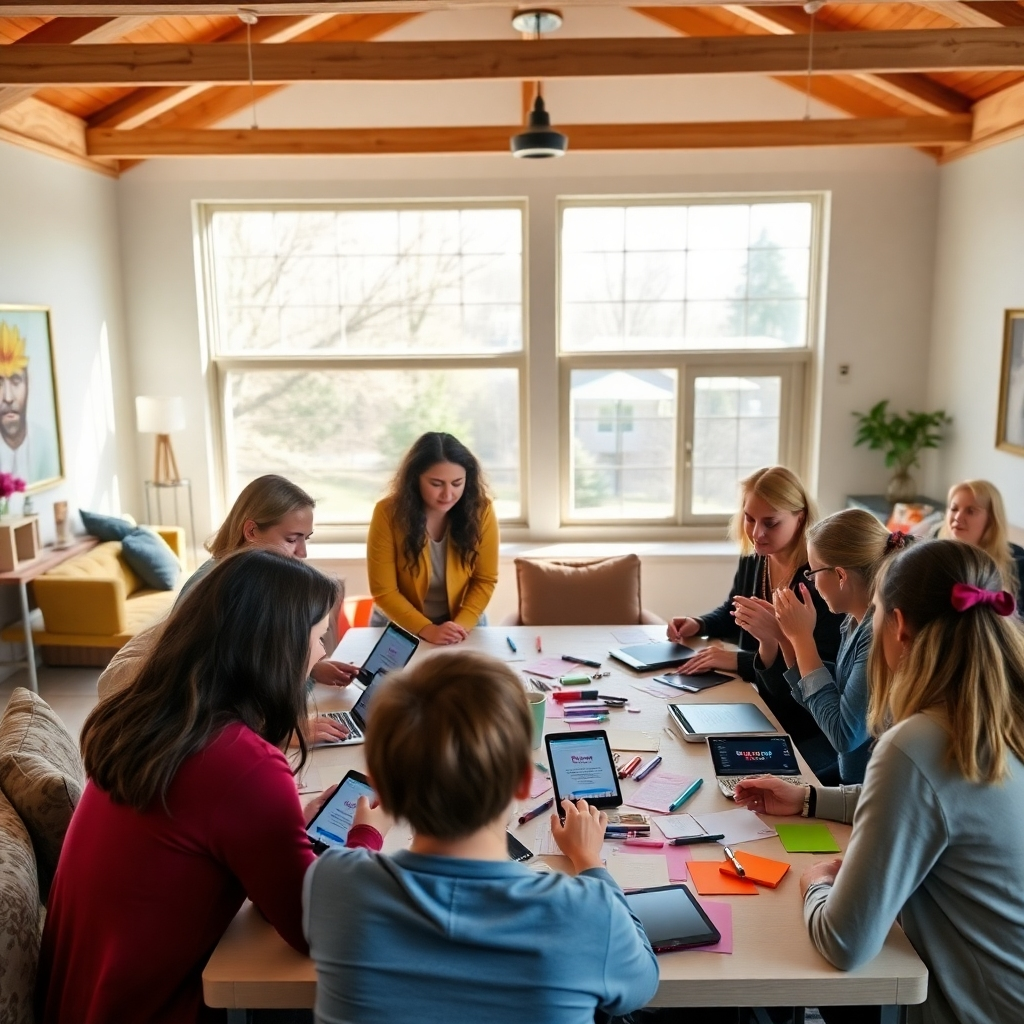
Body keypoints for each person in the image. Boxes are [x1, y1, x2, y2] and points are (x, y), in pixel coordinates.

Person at [36, 550, 382, 1024]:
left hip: (83, 1003)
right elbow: (318, 930)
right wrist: (364, 839)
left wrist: (281, 832)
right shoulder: (242, 763)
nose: (322, 653)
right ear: (276, 648)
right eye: (319, 638)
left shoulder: (153, 719)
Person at [734, 540, 1024, 1024]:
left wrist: (815, 883)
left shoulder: (917, 743)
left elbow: (844, 942)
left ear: (900, 627)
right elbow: (935, 806)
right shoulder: (996, 721)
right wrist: (809, 797)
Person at [303, 650, 659, 1024]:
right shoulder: (587, 911)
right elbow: (641, 986)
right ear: (523, 781)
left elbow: (341, 875)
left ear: (383, 788)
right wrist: (591, 864)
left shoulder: (332, 882)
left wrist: (363, 836)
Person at [99, 475, 357, 743]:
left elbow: (253, 658)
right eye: (292, 539)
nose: (302, 552)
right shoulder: (223, 590)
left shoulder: (253, 579)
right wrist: (284, 730)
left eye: (307, 539)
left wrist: (312, 666)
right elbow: (208, 692)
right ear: (251, 531)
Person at [667, 466, 844, 776]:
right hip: (758, 699)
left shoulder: (818, 578)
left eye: (770, 523)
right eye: (749, 518)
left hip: (801, 719)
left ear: (800, 517)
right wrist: (701, 624)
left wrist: (737, 661)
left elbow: (820, 669)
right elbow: (735, 612)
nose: (757, 533)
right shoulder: (756, 556)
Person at [772, 509, 910, 785]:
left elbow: (844, 734)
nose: (811, 582)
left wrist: (802, 639)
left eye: (813, 573)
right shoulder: (852, 621)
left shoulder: (877, 635)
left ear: (840, 575)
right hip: (852, 777)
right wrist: (789, 640)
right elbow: (836, 692)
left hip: (873, 788)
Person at [367, 432, 499, 646]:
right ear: (415, 479)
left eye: (457, 483)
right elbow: (385, 591)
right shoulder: (387, 512)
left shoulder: (482, 510)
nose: (448, 494)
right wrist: (427, 629)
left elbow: (485, 580)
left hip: (463, 623)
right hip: (399, 623)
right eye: (436, 484)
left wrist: (458, 628)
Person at [940, 478, 1024, 614]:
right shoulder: (932, 554)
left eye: (970, 511)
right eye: (954, 509)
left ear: (991, 520)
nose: (958, 517)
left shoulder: (1018, 562)